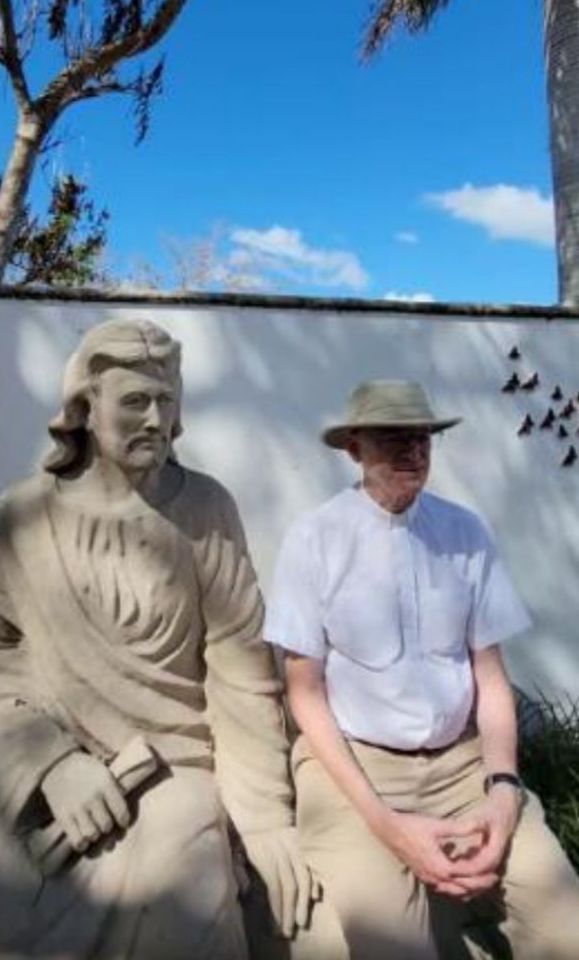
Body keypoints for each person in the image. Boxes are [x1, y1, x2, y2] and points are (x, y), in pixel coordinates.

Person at [0, 317, 313, 959]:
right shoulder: (22, 518)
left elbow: (241, 671)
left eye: (166, 401)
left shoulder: (207, 511)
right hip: (41, 757)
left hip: (173, 766)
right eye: (134, 401)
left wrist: (266, 819)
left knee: (193, 897)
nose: (156, 419)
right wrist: (54, 768)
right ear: (86, 407)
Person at [264, 379, 579, 960]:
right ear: (354, 449)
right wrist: (385, 823)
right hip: (354, 769)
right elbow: (303, 692)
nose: (414, 450)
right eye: (393, 438)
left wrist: (504, 790)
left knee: (567, 927)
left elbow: (490, 676)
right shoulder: (315, 539)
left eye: (423, 437)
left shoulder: (466, 533)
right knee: (395, 949)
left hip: (463, 765)